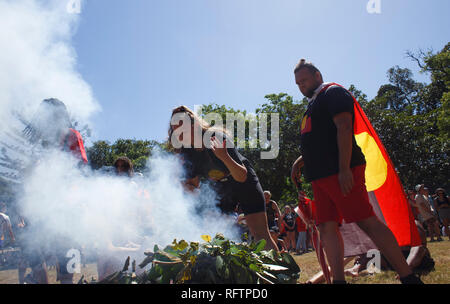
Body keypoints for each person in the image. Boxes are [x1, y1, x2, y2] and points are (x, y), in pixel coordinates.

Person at [290, 59, 422, 284]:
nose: (301, 86)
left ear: (318, 75)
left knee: (366, 220)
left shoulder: (333, 93)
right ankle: (338, 281)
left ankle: (408, 276)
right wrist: (300, 161)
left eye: (304, 80)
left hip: (340, 171)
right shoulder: (312, 105)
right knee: (326, 226)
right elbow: (321, 139)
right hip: (319, 178)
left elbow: (343, 127)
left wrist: (344, 169)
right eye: (298, 83)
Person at [168, 105, 278, 251]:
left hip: (244, 181)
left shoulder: (215, 137)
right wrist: (181, 184)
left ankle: (283, 272)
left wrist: (224, 157)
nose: (178, 131)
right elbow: (193, 188)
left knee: (261, 236)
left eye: (182, 125)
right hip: (222, 189)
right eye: (175, 128)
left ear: (193, 123)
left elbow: (242, 175)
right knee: (218, 233)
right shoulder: (187, 152)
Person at [20, 98, 88, 284]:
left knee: (67, 259)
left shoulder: (71, 135)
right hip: (38, 207)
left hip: (64, 208)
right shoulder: (35, 142)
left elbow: (79, 172)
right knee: (34, 255)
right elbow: (26, 176)